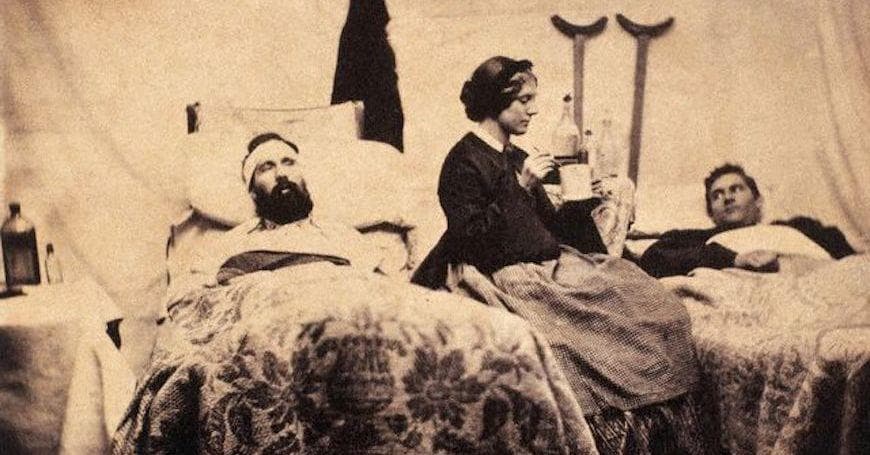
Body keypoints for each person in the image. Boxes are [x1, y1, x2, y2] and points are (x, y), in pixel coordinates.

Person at [414, 56, 711, 453]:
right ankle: (608, 432)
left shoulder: (517, 156)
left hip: (549, 264)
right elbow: (469, 238)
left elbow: (546, 227)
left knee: (655, 305)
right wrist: (520, 187)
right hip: (501, 272)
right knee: (570, 343)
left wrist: (578, 201)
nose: (533, 110)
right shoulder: (462, 160)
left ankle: (663, 422)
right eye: (524, 100)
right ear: (495, 102)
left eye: (533, 100)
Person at [167, 132, 386, 305]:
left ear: (303, 178)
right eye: (267, 167)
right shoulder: (229, 244)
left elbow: (383, 296)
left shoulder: (343, 236)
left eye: (288, 162)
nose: (281, 174)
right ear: (253, 190)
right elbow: (188, 301)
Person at [638, 163, 855, 278]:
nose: (727, 198)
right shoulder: (698, 239)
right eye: (717, 195)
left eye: (736, 189)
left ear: (758, 201)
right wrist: (735, 259)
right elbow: (654, 257)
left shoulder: (800, 227)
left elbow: (851, 262)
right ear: (711, 212)